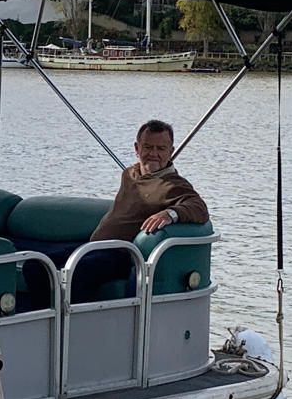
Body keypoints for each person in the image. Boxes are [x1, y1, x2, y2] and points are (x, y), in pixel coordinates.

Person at [75, 119, 209, 297]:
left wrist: (171, 213)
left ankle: (69, 321)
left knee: (79, 270)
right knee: (37, 266)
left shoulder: (174, 185)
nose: (153, 154)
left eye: (161, 149)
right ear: (137, 149)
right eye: (148, 147)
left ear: (171, 152)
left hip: (120, 256)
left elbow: (199, 208)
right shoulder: (129, 174)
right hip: (94, 246)